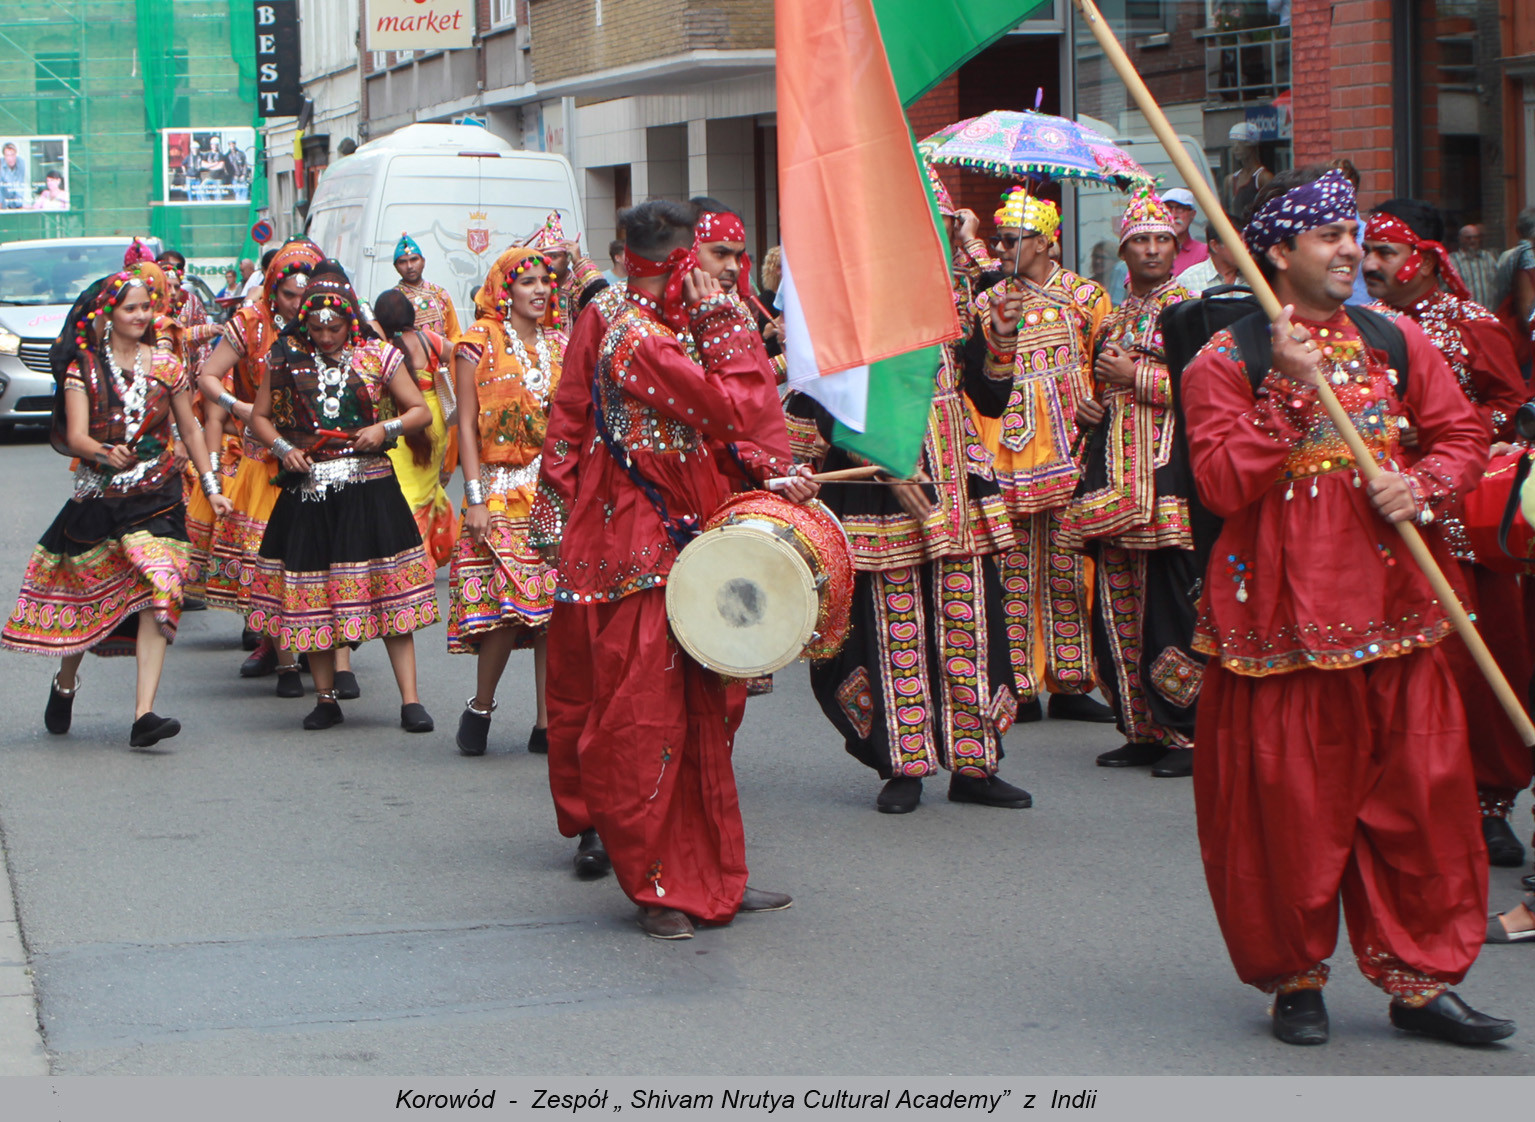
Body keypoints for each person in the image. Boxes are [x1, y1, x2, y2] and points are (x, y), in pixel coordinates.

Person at [1182, 163, 1513, 1047]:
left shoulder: (1395, 337)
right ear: (1277, 251)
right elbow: (1217, 483)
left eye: (1352, 234)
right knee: (1288, 815)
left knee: (1425, 807)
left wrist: (1423, 484)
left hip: (1400, 612)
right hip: (1281, 625)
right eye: (1329, 235)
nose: (1350, 251)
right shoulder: (1226, 360)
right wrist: (1288, 392)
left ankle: (1420, 983)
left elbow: (1461, 433)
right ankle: (1294, 978)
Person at [527, 199, 801, 939]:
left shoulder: (662, 324)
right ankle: (655, 884)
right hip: (639, 542)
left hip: (690, 527)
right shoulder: (634, 334)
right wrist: (724, 326)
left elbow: (725, 432)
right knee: (644, 713)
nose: (726, 274)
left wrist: (770, 474)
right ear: (678, 261)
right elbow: (729, 407)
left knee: (706, 711)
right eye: (713, 258)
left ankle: (712, 870)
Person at [788, 180, 1028, 816]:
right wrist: (889, 464)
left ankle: (975, 763)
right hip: (880, 489)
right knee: (894, 627)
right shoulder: (853, 301)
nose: (934, 233)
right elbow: (827, 402)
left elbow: (989, 397)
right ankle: (904, 763)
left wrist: (1000, 338)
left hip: (958, 485)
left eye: (941, 222)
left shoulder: (955, 297)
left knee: (967, 623)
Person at [1362, 199, 1532, 867]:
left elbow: (1512, 406)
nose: (1369, 264)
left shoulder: (1471, 325)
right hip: (1377, 521)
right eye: (1366, 250)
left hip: (1461, 524)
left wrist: (1441, 433)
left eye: (1385, 252)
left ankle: (1490, 805)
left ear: (1428, 259)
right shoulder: (1355, 329)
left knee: (1482, 665)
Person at [1, 272, 233, 746]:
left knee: (163, 585)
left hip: (158, 495)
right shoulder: (83, 369)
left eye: (146, 307)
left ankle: (144, 715)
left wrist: (211, 487)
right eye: (131, 308)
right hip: (101, 499)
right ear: (109, 315)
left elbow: (190, 430)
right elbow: (76, 436)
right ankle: (66, 683)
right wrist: (106, 453)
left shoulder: (166, 364)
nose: (141, 315)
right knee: (89, 601)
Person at [246, 276, 440, 732]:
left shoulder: (379, 355)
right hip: (309, 490)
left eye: (334, 327)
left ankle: (411, 701)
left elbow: (421, 411)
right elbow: (259, 418)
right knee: (313, 595)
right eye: (316, 328)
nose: (326, 336)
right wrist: (283, 450)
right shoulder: (284, 358)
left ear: (350, 320)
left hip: (370, 489)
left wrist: (384, 429)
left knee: (389, 594)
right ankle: (326, 698)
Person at [1060, 189, 1201, 778]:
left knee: (1170, 612)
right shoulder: (1115, 317)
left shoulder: (1191, 310)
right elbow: (1102, 390)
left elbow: (1207, 391)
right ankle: (1140, 728)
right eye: (1140, 240)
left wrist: (1136, 375)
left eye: (1162, 239)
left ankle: (1185, 735)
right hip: (1111, 486)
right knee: (1117, 611)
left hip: (1165, 485)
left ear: (1176, 246)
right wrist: (1090, 408)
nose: (1152, 249)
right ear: (1123, 251)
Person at [971, 187, 1114, 726]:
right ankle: (1019, 683)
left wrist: (1098, 408)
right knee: (1010, 568)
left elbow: (1104, 363)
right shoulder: (988, 302)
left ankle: (1071, 680)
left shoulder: (1085, 297)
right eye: (999, 240)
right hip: (1004, 451)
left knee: (1069, 567)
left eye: (1012, 240)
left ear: (1044, 242)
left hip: (1069, 447)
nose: (1002, 249)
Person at [195, 240, 325, 695]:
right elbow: (207, 377)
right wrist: (242, 407)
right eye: (288, 294)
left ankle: (323, 650)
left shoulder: (330, 319)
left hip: (319, 456)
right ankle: (274, 646)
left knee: (318, 555)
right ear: (272, 290)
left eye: (304, 295)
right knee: (266, 557)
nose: (297, 303)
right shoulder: (250, 323)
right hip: (263, 458)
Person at [449, 247, 564, 756]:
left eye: (545, 281)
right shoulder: (475, 343)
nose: (539, 290)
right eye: (527, 282)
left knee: (552, 611)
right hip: (496, 491)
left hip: (551, 493)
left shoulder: (560, 344)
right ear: (505, 290)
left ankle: (547, 723)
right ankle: (481, 707)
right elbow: (466, 426)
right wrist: (474, 498)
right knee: (505, 607)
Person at [374, 290, 457, 568]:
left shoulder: (382, 349)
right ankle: (430, 548)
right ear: (412, 315)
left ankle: (412, 557)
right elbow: (461, 354)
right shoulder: (429, 339)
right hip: (432, 420)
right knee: (427, 487)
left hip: (397, 423)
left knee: (404, 491)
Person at [391, 233, 461, 340]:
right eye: (403, 262)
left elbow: (454, 333)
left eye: (414, 260)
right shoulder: (393, 299)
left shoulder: (440, 294)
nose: (409, 266)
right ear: (396, 267)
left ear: (423, 262)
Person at [1493, 208, 1535, 358]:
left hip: (1510, 332)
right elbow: (1527, 314)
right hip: (1525, 341)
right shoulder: (1528, 255)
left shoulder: (1507, 255)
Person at [1176, 217, 1241, 294]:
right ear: (1215, 246)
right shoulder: (1188, 281)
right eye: (1237, 242)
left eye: (1245, 241)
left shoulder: (1251, 278)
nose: (1244, 248)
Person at [1223, 122, 1272, 220]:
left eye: (1240, 143)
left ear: (1251, 145)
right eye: (1233, 144)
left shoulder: (1263, 178)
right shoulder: (1230, 180)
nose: (1236, 148)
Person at [1451, 224, 1499, 311]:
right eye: (1468, 238)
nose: (1472, 240)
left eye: (1475, 237)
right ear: (1460, 239)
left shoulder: (1488, 258)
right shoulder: (1452, 261)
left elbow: (1497, 285)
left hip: (1487, 313)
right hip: (1463, 314)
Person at [1162, 187, 1208, 276]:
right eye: (1168, 209)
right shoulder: (1151, 251)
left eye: (1180, 209)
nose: (1173, 215)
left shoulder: (1204, 253)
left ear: (1192, 214)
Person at [0, 142, 26, 209]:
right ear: (4, 156)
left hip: (16, 202)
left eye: (12, 155)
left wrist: (19, 205)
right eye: (7, 155)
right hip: (3, 201)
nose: (10, 158)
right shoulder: (1, 164)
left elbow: (20, 184)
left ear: (16, 154)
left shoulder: (21, 162)